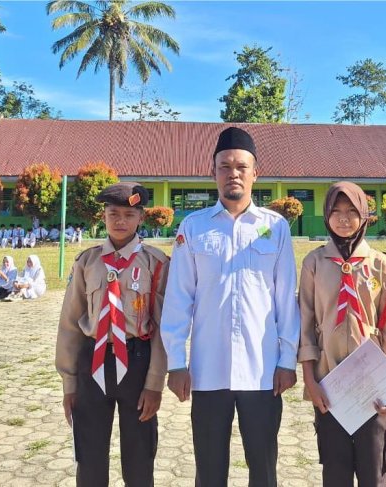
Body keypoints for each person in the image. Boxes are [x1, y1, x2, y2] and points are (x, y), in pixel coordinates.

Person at [160, 127, 300, 487]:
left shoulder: (275, 227)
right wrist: (176, 362)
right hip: (208, 370)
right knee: (209, 470)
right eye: (224, 166)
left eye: (241, 167)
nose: (233, 173)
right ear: (213, 173)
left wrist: (287, 360)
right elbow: (179, 298)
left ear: (255, 173)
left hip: (262, 371)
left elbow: (286, 298)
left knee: (263, 469)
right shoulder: (193, 227)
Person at [56, 182, 169, 487]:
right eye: (113, 214)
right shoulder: (87, 262)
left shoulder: (156, 263)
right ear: (103, 216)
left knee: (140, 454)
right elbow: (70, 324)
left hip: (137, 362)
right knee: (89, 455)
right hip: (93, 361)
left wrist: (155, 384)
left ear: (141, 217)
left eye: (129, 215)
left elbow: (163, 328)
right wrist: (69, 383)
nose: (120, 221)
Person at [299, 182, 386, 487]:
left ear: (364, 216)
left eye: (351, 211)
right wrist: (310, 381)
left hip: (373, 387)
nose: (344, 218)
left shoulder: (381, 265)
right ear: (326, 215)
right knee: (335, 473)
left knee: (374, 471)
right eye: (336, 211)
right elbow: (305, 324)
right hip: (329, 385)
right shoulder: (314, 263)